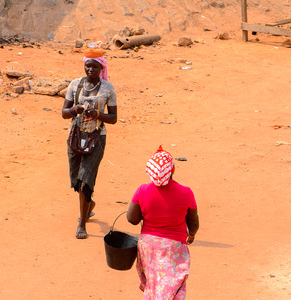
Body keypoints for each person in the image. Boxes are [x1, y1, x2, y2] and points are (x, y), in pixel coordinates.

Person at [127, 146, 199, 299]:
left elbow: (132, 219)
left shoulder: (142, 190)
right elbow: (193, 222)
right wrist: (191, 234)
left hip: (148, 247)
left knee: (154, 285)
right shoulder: (186, 192)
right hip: (173, 248)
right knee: (171, 287)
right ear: (172, 169)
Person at [61, 49, 117, 239]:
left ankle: (82, 225)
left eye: (95, 66)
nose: (90, 69)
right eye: (88, 65)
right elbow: (63, 112)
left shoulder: (108, 88)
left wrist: (98, 115)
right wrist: (74, 110)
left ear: (102, 68)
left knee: (85, 181)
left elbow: (114, 118)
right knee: (77, 181)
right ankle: (89, 205)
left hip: (97, 138)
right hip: (75, 137)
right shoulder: (75, 85)